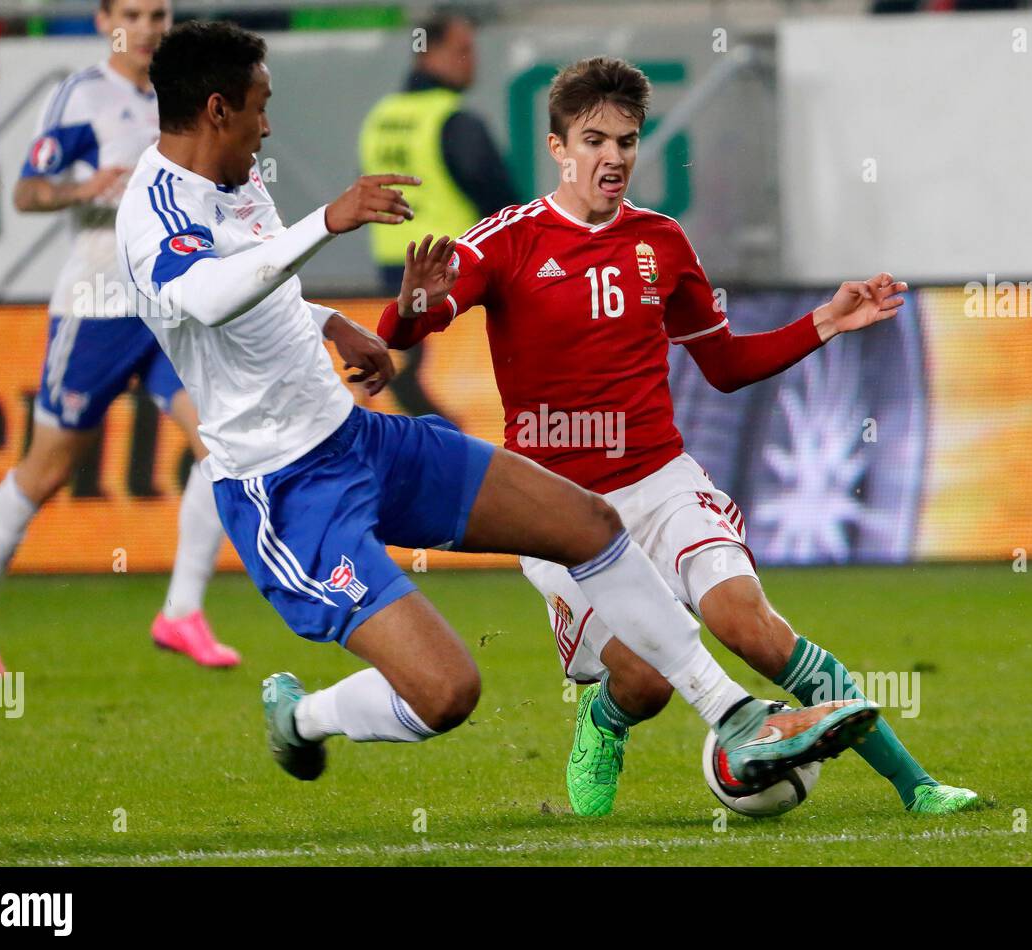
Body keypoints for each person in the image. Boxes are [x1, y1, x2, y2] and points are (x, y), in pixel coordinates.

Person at [116, 20, 878, 797]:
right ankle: (303, 717)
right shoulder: (151, 214)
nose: (268, 122)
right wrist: (328, 223)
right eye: (259, 105)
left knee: (588, 524)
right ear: (217, 110)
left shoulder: (236, 177)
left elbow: (251, 285)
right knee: (448, 693)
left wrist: (328, 321)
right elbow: (204, 297)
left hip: (361, 441)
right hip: (284, 489)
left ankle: (735, 714)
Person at [378, 57, 981, 817]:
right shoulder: (508, 240)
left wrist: (826, 320)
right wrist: (410, 308)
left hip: (662, 478)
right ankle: (605, 719)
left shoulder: (661, 242)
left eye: (627, 141)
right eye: (594, 140)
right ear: (559, 148)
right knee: (645, 679)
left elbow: (724, 365)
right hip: (554, 508)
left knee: (753, 629)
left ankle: (916, 785)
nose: (614, 157)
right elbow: (403, 325)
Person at [0, 0, 239, 673]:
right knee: (49, 468)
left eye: (158, 14)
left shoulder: (185, 99)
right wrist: (84, 190)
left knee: (220, 443)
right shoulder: (82, 96)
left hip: (167, 305)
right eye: (132, 14)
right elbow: (25, 192)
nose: (146, 27)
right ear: (107, 18)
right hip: (98, 305)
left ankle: (182, 611)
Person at [359, 7, 518, 416]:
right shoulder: (453, 119)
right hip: (450, 273)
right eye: (463, 49)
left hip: (390, 275)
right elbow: (500, 201)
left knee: (411, 376)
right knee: (460, 391)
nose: (473, 60)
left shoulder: (380, 118)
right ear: (429, 52)